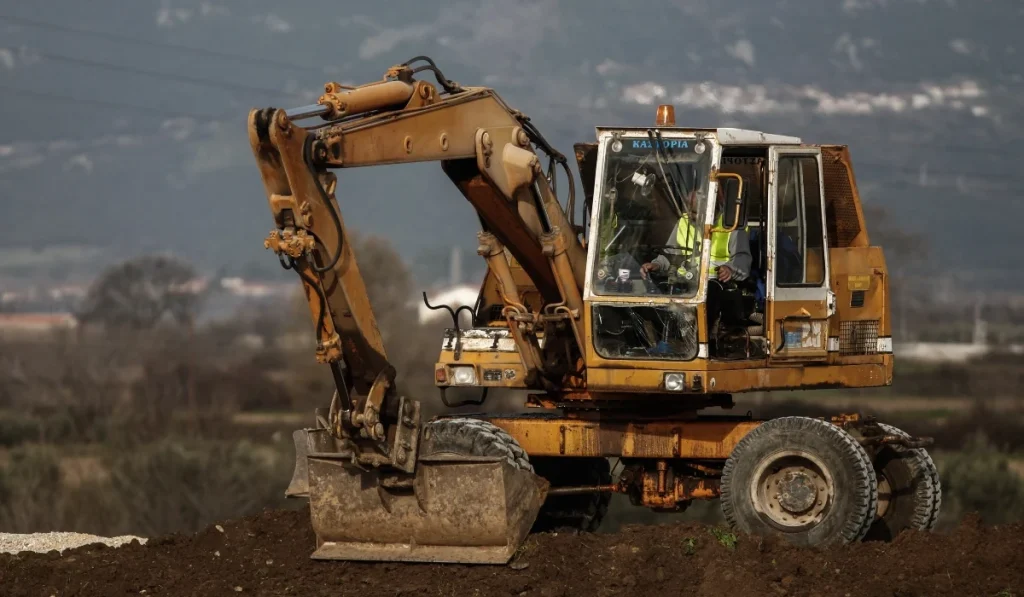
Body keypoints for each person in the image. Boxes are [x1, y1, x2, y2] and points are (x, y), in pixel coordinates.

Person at [640, 183, 752, 348]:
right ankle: (659, 342)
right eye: (689, 210)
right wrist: (656, 264)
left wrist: (730, 269)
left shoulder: (732, 224)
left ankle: (702, 344)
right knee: (649, 293)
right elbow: (670, 254)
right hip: (685, 280)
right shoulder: (684, 222)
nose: (690, 216)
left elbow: (742, 258)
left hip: (716, 282)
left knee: (710, 294)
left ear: (712, 208)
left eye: (694, 212)